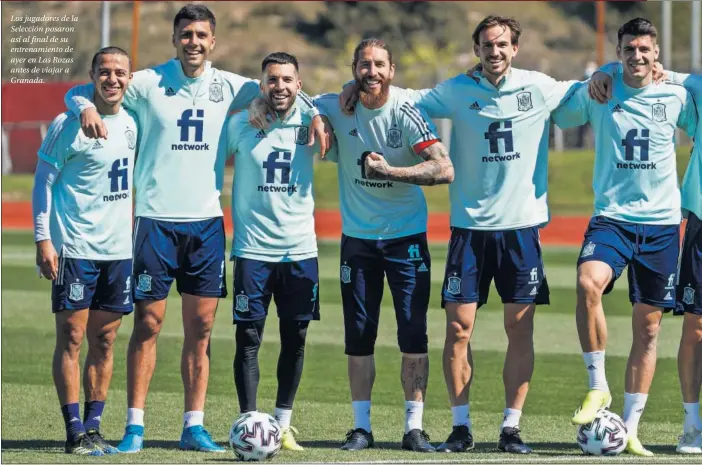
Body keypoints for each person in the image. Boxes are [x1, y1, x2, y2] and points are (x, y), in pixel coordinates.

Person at [62, 4, 328, 453]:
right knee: (147, 324)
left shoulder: (230, 86)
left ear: (213, 41)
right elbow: (88, 88)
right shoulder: (147, 82)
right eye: (186, 34)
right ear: (175, 39)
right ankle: (135, 427)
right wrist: (84, 102)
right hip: (154, 221)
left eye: (202, 35)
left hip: (206, 223)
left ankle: (193, 425)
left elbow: (285, 91)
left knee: (201, 329)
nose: (194, 42)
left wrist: (316, 114)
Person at [340, 15, 581, 454]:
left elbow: (585, 91)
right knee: (458, 329)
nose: (495, 52)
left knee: (519, 328)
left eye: (503, 44)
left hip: (521, 229)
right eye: (487, 45)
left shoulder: (539, 86)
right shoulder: (456, 90)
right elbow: (404, 97)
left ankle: (511, 428)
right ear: (477, 50)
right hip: (468, 230)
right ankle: (460, 426)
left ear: (515, 48)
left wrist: (605, 74)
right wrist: (352, 86)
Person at [552, 17, 698, 457]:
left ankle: (630, 427)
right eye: (629, 50)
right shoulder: (602, 90)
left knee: (648, 328)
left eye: (645, 50)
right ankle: (598, 385)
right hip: (611, 219)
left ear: (657, 56)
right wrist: (593, 76)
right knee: (587, 283)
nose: (637, 57)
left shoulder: (677, 96)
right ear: (619, 53)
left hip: (661, 226)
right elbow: (559, 112)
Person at [313, 38, 454, 453]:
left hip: (405, 237)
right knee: (359, 334)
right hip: (357, 240)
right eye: (363, 65)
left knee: (413, 332)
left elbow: (443, 169)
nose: (371, 72)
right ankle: (361, 428)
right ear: (354, 69)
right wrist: (320, 118)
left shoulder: (406, 113)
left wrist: (391, 171)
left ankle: (414, 429)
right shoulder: (337, 104)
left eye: (379, 65)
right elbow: (302, 100)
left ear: (392, 71)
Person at [219, 52, 333, 452]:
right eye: (272, 80)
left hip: (300, 249)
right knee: (248, 337)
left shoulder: (312, 121)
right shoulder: (239, 124)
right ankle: (249, 423)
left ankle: (282, 424)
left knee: (295, 336)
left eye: (287, 80)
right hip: (252, 250)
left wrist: (315, 111)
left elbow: (344, 97)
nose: (279, 86)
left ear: (299, 85)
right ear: (261, 84)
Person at [33, 46, 137, 456]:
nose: (112, 79)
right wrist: (44, 239)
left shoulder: (133, 123)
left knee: (106, 340)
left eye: (120, 73)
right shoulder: (67, 124)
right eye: (105, 72)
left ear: (130, 78)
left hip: (119, 251)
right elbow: (42, 181)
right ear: (92, 76)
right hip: (74, 248)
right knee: (72, 336)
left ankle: (95, 427)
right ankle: (73, 429)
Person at [594, 66, 702, 454]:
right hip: (700, 222)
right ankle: (693, 426)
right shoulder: (695, 87)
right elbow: (642, 66)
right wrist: (604, 70)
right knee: (697, 328)